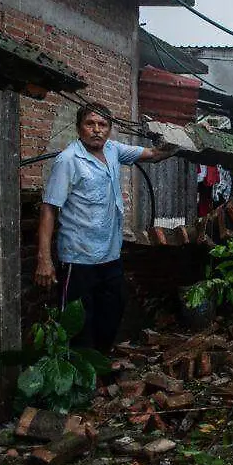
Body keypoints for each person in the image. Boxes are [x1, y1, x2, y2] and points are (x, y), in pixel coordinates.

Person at [35, 103, 177, 353]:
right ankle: (79, 381)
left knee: (113, 309)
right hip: (78, 259)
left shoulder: (113, 150)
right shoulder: (68, 160)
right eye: (90, 124)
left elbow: (153, 154)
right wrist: (44, 259)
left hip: (109, 256)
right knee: (77, 321)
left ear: (110, 129)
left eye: (102, 125)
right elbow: (49, 209)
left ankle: (98, 366)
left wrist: (184, 141)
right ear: (79, 128)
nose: (97, 130)